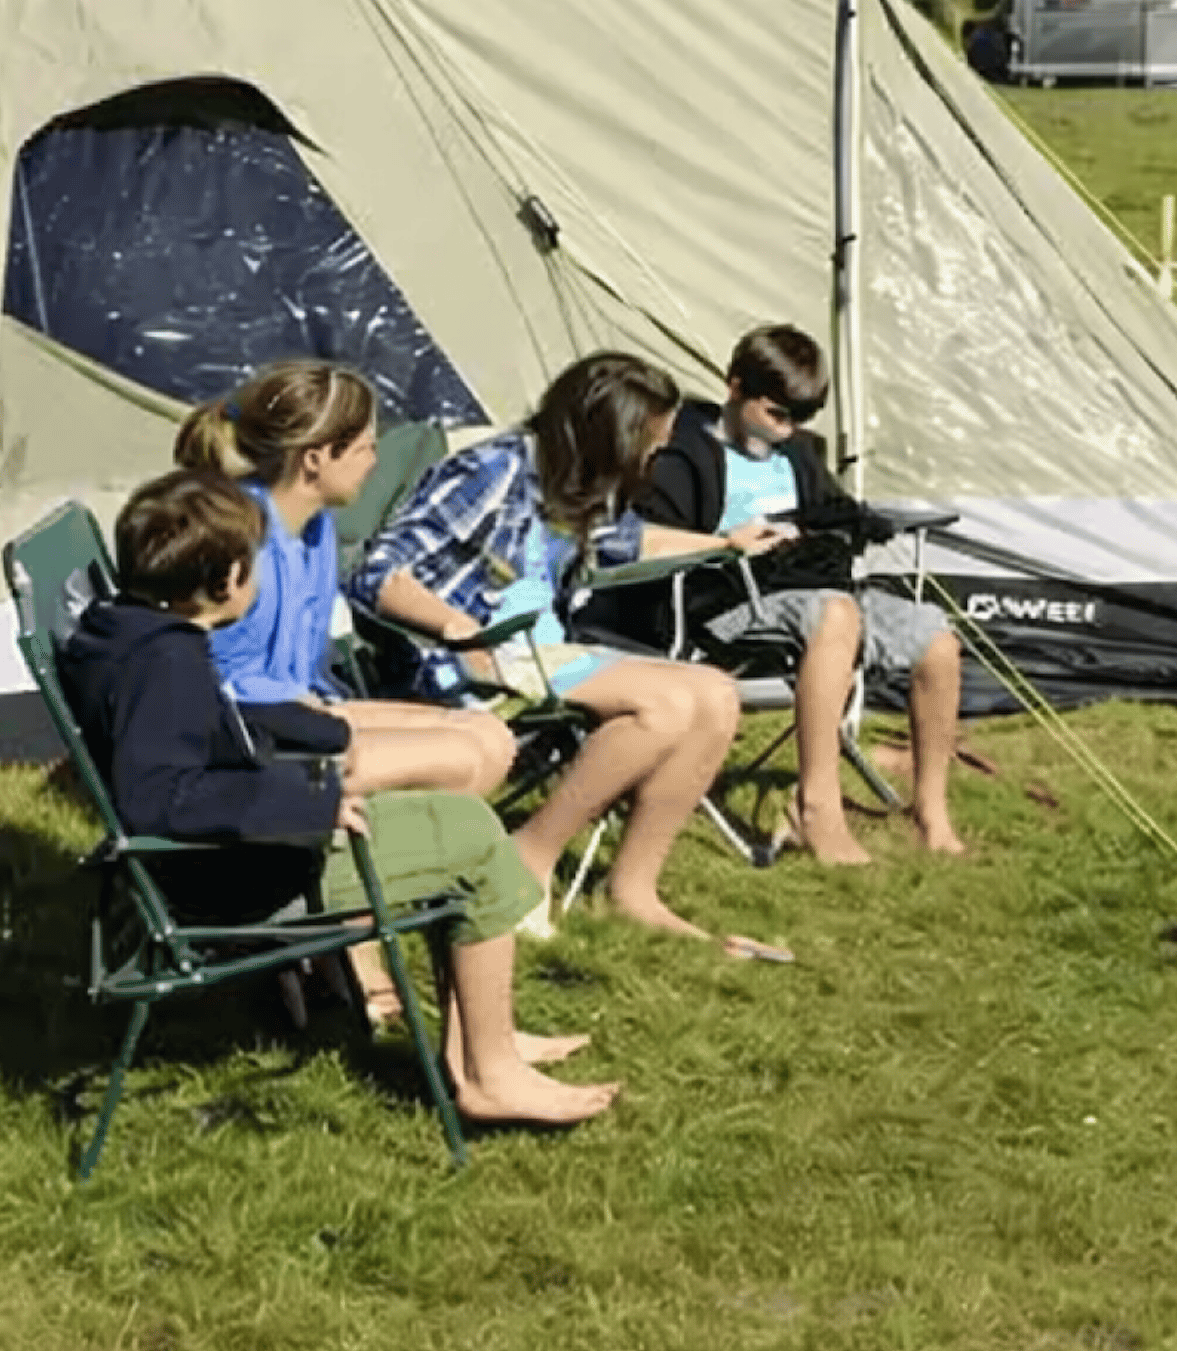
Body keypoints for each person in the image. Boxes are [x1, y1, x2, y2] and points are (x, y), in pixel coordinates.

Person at [60, 468, 617, 1127]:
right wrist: (310, 805)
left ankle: (482, 1046)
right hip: (239, 876)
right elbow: (160, 799)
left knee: (461, 820)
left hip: (235, 850)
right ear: (225, 581)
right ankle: (488, 1072)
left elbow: (214, 732)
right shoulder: (168, 665)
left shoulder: (130, 633)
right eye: (254, 564)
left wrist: (317, 737)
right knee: (474, 842)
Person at [351, 351, 789, 950]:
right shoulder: (496, 471)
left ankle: (635, 889)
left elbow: (620, 542)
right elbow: (377, 570)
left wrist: (721, 543)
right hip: (478, 657)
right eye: (651, 444)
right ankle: (530, 854)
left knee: (715, 694)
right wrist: (455, 627)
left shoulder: (580, 481)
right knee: (662, 707)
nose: (657, 457)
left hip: (540, 650)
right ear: (608, 434)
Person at [632, 323, 970, 865]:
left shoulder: (794, 455)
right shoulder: (683, 451)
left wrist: (864, 524)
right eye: (777, 414)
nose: (788, 431)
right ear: (735, 386)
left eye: (800, 419)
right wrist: (728, 543)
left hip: (808, 589)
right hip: (724, 602)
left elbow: (827, 509)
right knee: (834, 613)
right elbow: (651, 536)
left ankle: (930, 809)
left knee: (936, 637)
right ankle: (815, 806)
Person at [173, 359, 516, 802]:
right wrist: (308, 713)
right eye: (364, 449)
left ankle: (392, 852)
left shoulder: (316, 530)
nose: (375, 463)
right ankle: (337, 853)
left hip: (298, 714)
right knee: (465, 757)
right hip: (242, 742)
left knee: (490, 735)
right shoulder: (236, 544)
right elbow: (203, 672)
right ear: (315, 459)